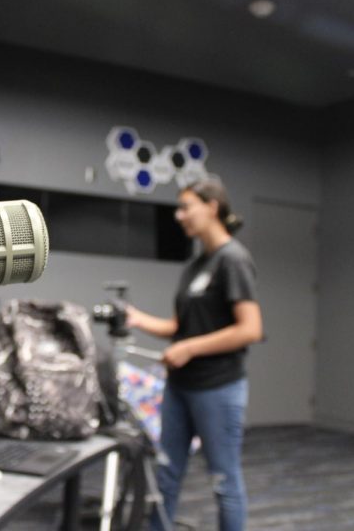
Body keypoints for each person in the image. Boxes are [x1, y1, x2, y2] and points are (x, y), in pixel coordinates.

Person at [125, 178, 262, 531]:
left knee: (223, 481)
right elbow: (180, 325)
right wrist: (136, 318)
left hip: (217, 388)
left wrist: (189, 348)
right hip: (179, 388)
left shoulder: (233, 260)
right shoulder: (196, 265)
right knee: (167, 474)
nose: (179, 215)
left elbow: (250, 329)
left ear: (212, 207)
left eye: (186, 206)